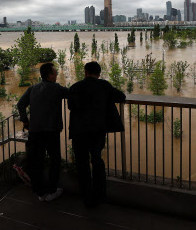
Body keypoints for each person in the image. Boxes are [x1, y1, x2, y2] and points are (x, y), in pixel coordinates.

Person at [68, 61, 126, 207]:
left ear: (85, 72)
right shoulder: (104, 86)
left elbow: (70, 106)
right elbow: (121, 97)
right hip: (97, 131)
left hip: (79, 132)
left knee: (81, 163)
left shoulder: (75, 87)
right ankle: (100, 194)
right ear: (99, 74)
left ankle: (86, 196)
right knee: (97, 159)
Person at [17, 62, 68, 202]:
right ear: (50, 75)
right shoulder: (56, 88)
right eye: (55, 72)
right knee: (54, 160)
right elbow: (72, 94)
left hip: (34, 131)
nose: (57, 74)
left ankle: (40, 192)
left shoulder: (32, 88)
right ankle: (52, 191)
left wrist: (26, 121)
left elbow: (20, 104)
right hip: (51, 131)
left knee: (37, 162)